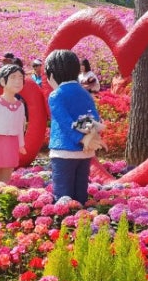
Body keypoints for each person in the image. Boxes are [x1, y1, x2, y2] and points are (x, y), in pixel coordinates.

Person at [45, 49, 106, 206]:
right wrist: (87, 137)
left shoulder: (56, 95)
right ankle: (81, 222)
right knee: (80, 195)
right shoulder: (84, 92)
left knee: (63, 197)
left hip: (63, 151)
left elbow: (65, 123)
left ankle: (65, 225)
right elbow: (94, 118)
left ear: (52, 74)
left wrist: (81, 138)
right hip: (84, 153)